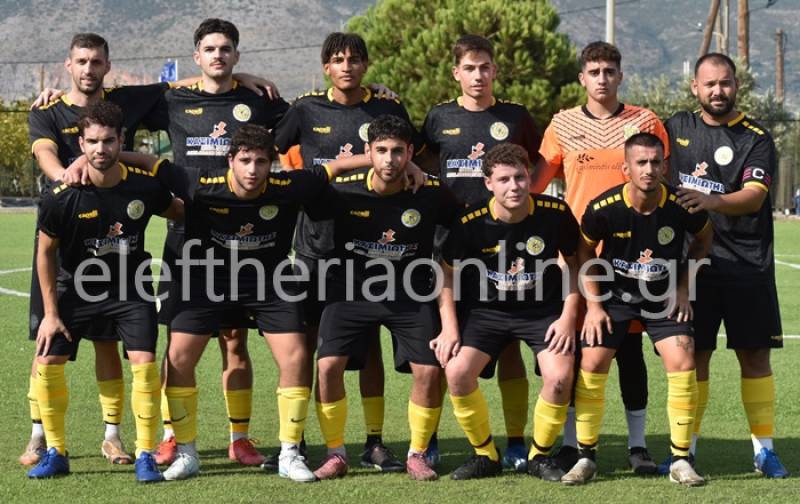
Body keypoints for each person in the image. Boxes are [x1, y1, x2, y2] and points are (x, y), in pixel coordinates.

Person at [146, 124, 349, 482]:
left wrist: (399, 164)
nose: (253, 170)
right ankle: (187, 453)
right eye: (245, 161)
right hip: (206, 278)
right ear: (231, 160)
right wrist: (86, 161)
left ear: (272, 163)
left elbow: (332, 169)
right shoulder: (201, 182)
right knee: (178, 357)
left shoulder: (287, 186)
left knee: (296, 356)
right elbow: (151, 163)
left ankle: (289, 454)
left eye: (261, 161)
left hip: (269, 280)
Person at [272, 32, 421, 473]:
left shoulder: (387, 106)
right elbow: (273, 148)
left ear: (366, 65)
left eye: (355, 59)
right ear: (326, 67)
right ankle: (296, 439)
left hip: (369, 243)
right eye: (338, 59)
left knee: (369, 339)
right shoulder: (306, 108)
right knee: (308, 343)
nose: (347, 66)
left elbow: (409, 153)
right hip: (316, 243)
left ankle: (374, 442)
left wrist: (411, 166)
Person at [146, 18, 290, 467]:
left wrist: (378, 90)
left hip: (243, 244)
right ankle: (172, 435)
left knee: (235, 342)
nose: (218, 56)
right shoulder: (174, 99)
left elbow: (311, 119)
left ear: (236, 55)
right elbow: (112, 104)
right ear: (197, 56)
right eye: (210, 50)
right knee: (178, 346)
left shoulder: (258, 100)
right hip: (187, 240)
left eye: (226, 49)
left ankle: (239, 438)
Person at [22, 32, 169, 468]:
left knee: (108, 345)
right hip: (65, 234)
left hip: (115, 241)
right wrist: (68, 175)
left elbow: (185, 87)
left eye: (96, 61)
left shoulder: (123, 103)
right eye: (81, 61)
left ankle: (112, 437)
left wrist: (246, 77)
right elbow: (45, 154)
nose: (89, 69)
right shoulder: (48, 110)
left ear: (108, 65)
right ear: (68, 65)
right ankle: (39, 436)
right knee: (48, 341)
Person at [531, 41, 670, 475]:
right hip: (578, 257)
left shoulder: (645, 121)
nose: (602, 79)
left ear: (620, 76)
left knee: (629, 350)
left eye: (609, 71)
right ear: (582, 78)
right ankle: (573, 445)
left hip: (632, 258)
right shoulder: (562, 123)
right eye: (594, 72)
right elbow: (534, 186)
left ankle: (637, 446)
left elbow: (664, 177)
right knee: (573, 351)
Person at [418, 34, 543, 470]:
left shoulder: (515, 116)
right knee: (443, 346)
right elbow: (422, 163)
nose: (478, 75)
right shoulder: (439, 117)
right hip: (449, 248)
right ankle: (429, 439)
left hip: (505, 249)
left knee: (508, 347)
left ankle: (515, 441)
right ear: (456, 73)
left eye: (485, 67)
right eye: (469, 68)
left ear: (495, 70)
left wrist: (524, 207)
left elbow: (536, 164)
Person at [311, 115, 459, 481]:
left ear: (410, 152)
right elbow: (306, 183)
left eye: (397, 151)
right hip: (350, 292)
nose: (389, 160)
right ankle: (336, 453)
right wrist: (354, 163)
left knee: (429, 371)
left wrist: (449, 322)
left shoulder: (433, 194)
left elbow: (447, 259)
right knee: (327, 367)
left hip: (409, 293)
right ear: (368, 152)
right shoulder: (341, 190)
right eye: (381, 151)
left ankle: (417, 454)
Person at [561, 133, 711, 487]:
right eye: (641, 162)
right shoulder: (604, 207)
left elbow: (704, 240)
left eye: (656, 162)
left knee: (683, 359)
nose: (649, 169)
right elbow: (584, 251)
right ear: (625, 168)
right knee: (592, 361)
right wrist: (594, 305)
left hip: (663, 298)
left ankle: (680, 460)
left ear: (665, 166)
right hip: (615, 297)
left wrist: (683, 287)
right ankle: (586, 456)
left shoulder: (682, 205)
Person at [664, 52, 789, 478]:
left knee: (754, 355)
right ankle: (686, 451)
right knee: (694, 355)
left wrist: (711, 201)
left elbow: (754, 196)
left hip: (747, 263)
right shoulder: (677, 127)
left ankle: (764, 451)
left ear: (736, 85)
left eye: (725, 82)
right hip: (693, 266)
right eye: (710, 84)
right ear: (695, 87)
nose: (718, 91)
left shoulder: (756, 137)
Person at [435, 143, 580, 481]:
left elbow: (577, 265)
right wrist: (449, 327)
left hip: (542, 311)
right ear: (488, 183)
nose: (513, 186)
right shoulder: (470, 221)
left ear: (529, 177)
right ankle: (485, 455)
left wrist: (568, 317)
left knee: (559, 377)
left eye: (519, 177)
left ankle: (539, 456)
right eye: (503, 180)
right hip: (487, 312)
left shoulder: (555, 212)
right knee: (456, 372)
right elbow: (446, 274)